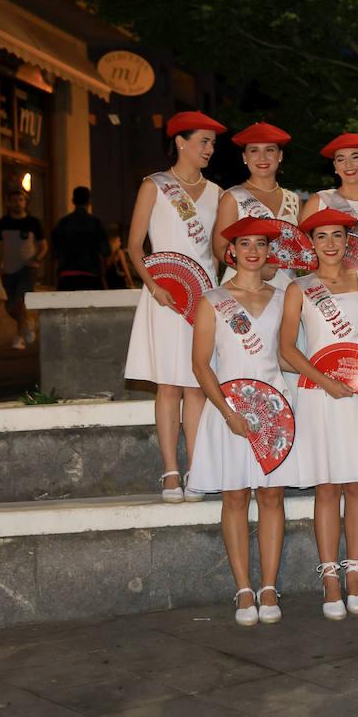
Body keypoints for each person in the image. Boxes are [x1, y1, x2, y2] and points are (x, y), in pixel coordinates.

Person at [186, 217, 299, 626]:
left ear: (270, 251)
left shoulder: (285, 295)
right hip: (229, 410)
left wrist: (324, 376)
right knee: (235, 498)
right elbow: (200, 365)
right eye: (244, 244)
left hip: (273, 411)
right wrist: (228, 413)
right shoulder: (213, 300)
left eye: (260, 244)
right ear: (231, 250)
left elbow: (285, 355)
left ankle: (268, 586)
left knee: (272, 497)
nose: (252, 250)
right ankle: (243, 587)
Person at [279, 208, 358, 620]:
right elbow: (287, 348)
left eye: (338, 236)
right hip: (319, 395)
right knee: (327, 488)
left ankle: (354, 572)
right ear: (311, 243)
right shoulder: (297, 288)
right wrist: (324, 380)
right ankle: (330, 577)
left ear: (348, 240)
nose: (331, 244)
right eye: (322, 237)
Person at [124, 111, 225, 503]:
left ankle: (196, 469)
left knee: (197, 386)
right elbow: (134, 246)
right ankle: (169, 470)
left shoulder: (219, 193)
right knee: (168, 385)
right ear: (180, 142)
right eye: (203, 141)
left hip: (203, 298)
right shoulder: (155, 185)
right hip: (164, 297)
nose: (209, 149)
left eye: (212, 143)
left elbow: (216, 254)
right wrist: (153, 286)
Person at [215, 122, 299, 287]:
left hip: (287, 288)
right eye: (254, 151)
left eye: (270, 150)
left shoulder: (293, 199)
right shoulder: (232, 197)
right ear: (245, 157)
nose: (262, 158)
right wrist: (256, 270)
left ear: (280, 155)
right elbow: (220, 248)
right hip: (244, 288)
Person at [300, 133, 358, 250]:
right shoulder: (319, 201)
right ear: (335, 166)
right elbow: (303, 249)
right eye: (341, 159)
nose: (348, 164)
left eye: (355, 157)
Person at [0, 187, 48, 349]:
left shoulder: (33, 222)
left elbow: (43, 245)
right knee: (10, 306)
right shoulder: (3, 222)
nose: (18, 203)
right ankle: (28, 323)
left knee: (19, 301)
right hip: (8, 269)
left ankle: (19, 337)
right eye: (14, 200)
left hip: (27, 268)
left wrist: (37, 259)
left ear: (26, 203)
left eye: (21, 200)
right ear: (9, 203)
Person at [50, 186, 111, 291]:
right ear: (89, 201)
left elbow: (55, 252)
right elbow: (106, 251)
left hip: (66, 275)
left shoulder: (63, 223)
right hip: (91, 275)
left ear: (73, 201)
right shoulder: (95, 223)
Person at [105, 224, 136, 290]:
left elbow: (104, 270)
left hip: (110, 282)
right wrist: (131, 282)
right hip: (119, 282)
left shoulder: (106, 253)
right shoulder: (119, 252)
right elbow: (125, 268)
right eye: (119, 241)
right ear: (114, 241)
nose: (120, 243)